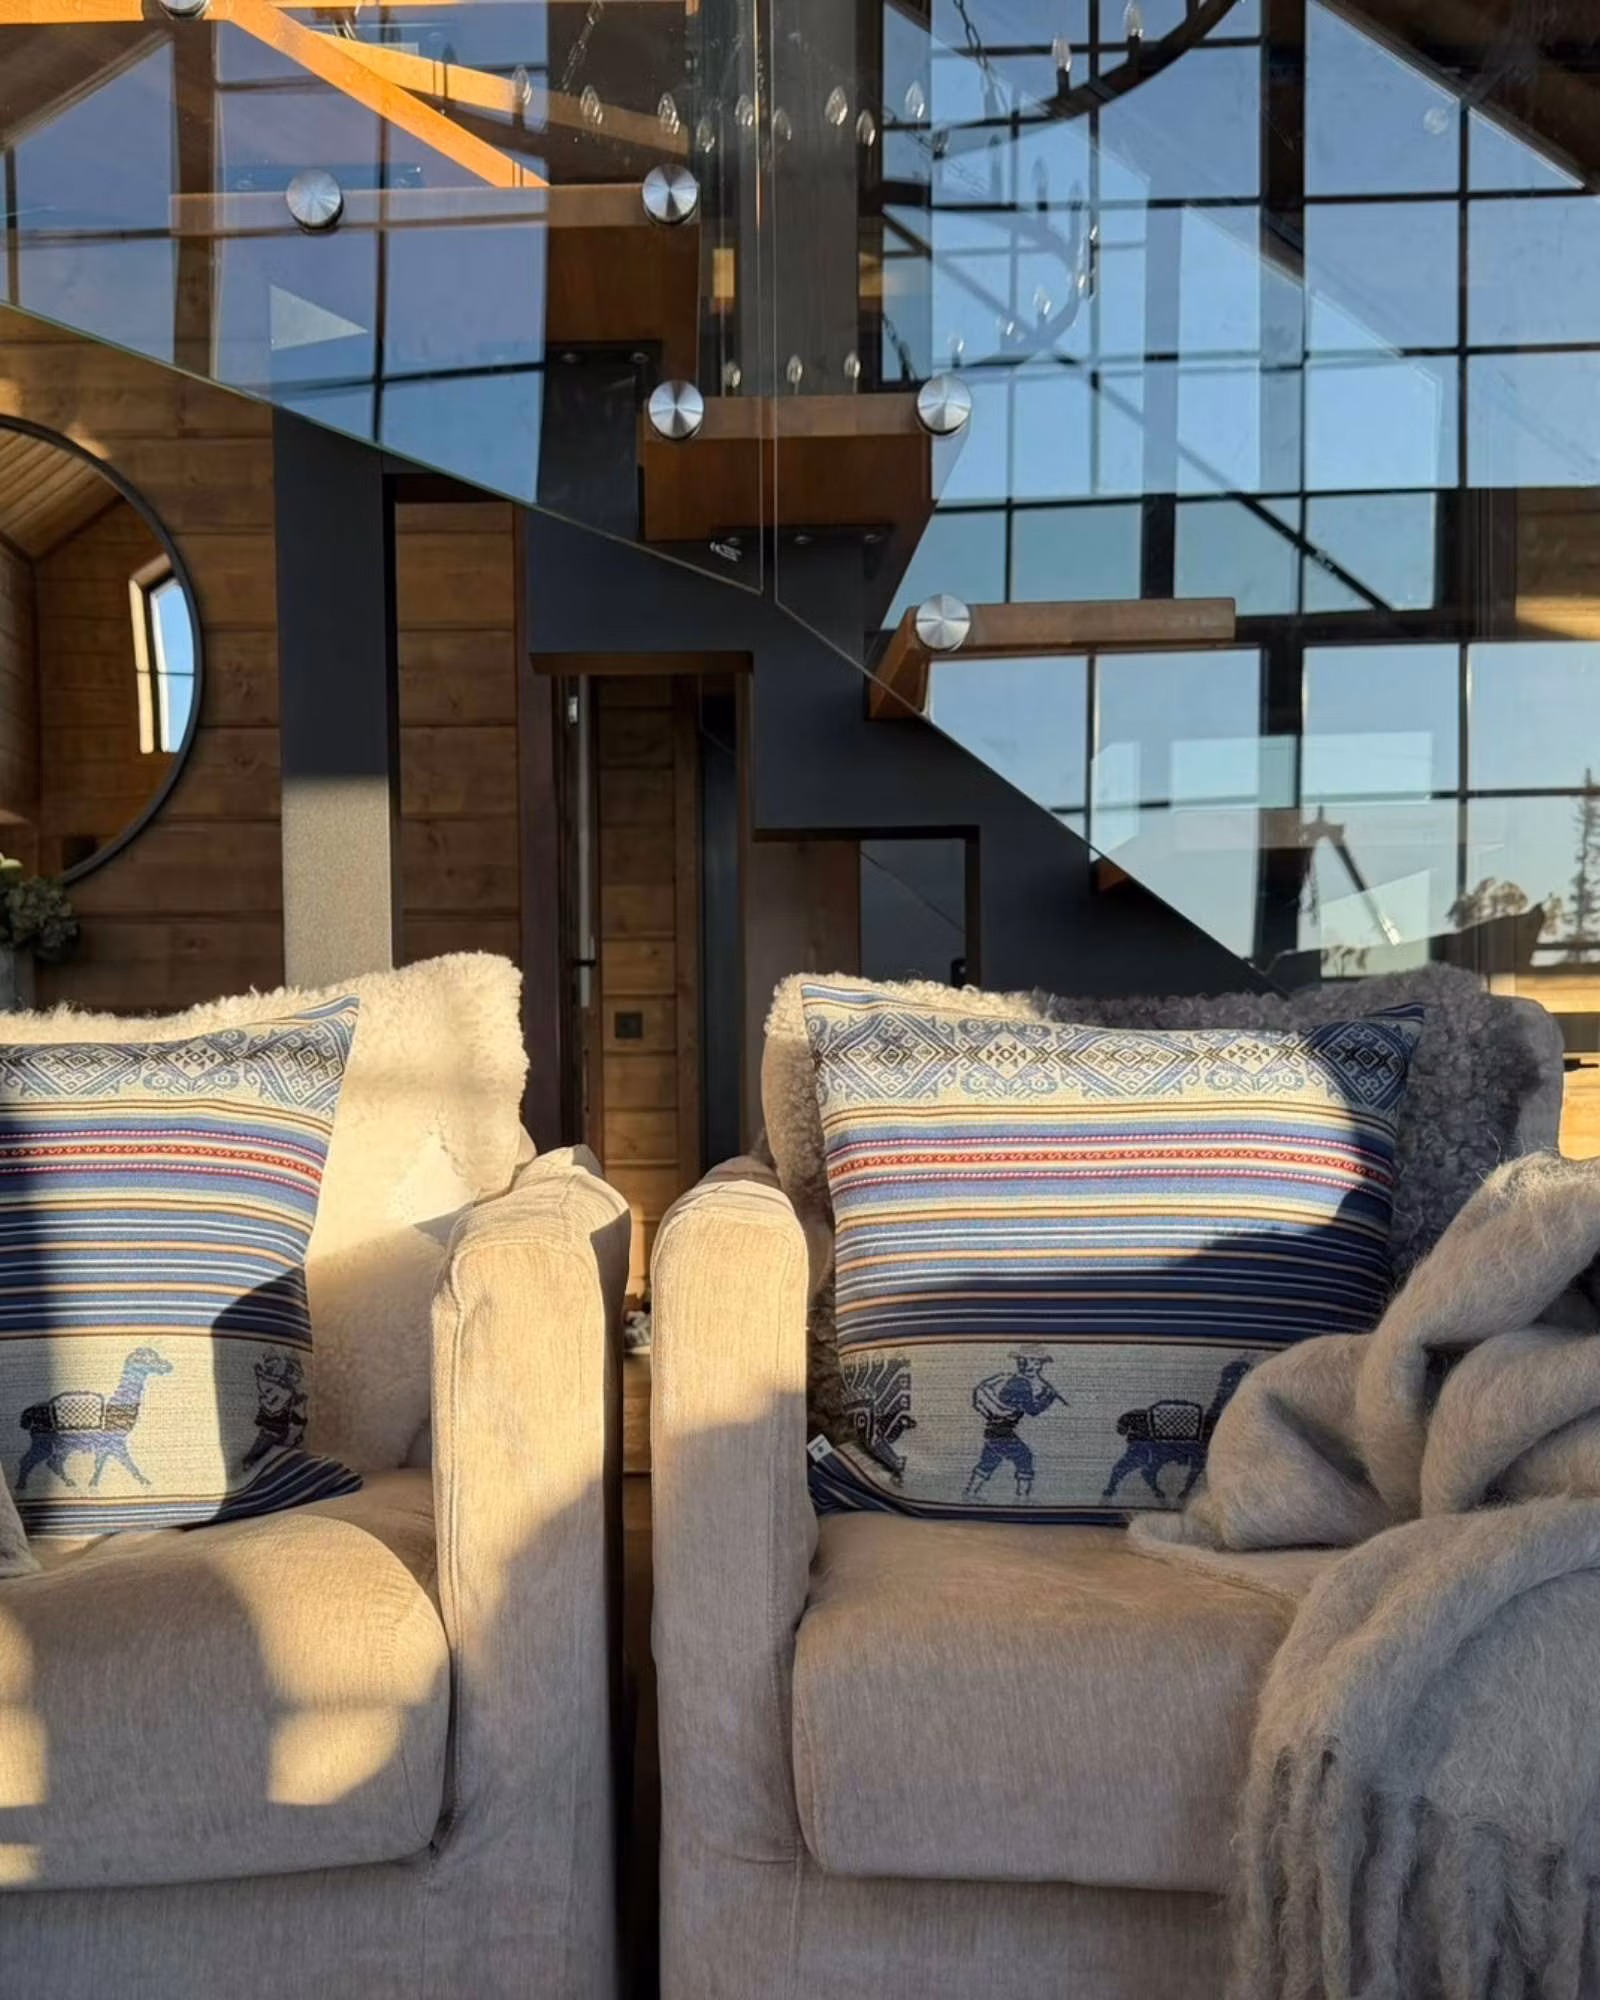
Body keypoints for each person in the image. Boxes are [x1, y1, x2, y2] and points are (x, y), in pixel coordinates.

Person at [963, 1349, 1062, 1501]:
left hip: (994, 1430)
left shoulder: (1014, 1381)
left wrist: (1043, 1394)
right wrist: (1048, 1396)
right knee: (1024, 1457)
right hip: (1003, 1432)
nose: (1034, 1366)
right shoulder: (1022, 1384)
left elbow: (1023, 1405)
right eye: (1032, 1362)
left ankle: (970, 1494)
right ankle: (1022, 1498)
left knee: (989, 1461)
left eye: (1037, 1362)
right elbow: (1033, 1410)